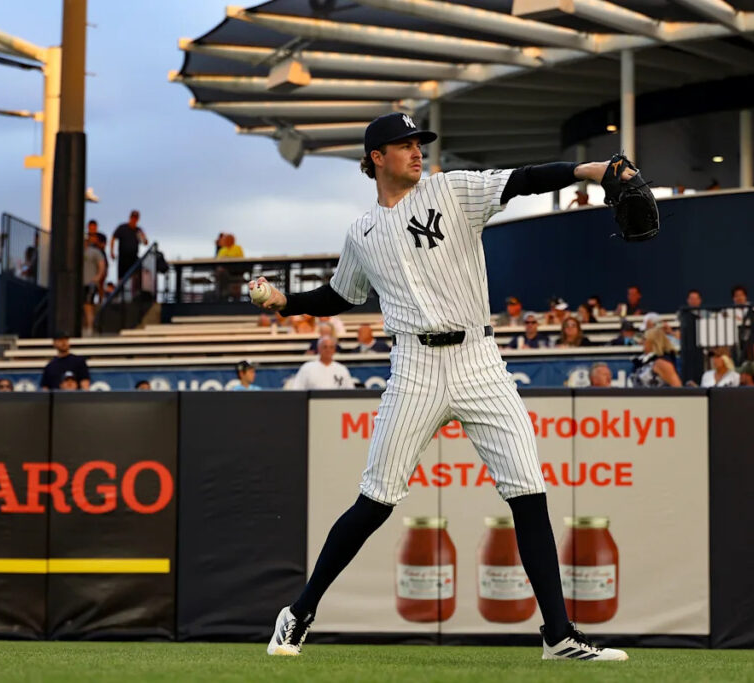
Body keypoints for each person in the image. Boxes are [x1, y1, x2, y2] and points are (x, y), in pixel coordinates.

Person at [250, 111, 632, 661]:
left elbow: (522, 180)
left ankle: (558, 635)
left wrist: (589, 170)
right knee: (376, 500)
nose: (416, 151)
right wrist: (287, 302)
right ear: (376, 158)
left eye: (418, 142)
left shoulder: (453, 191)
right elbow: (341, 295)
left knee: (528, 491)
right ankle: (300, 611)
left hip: (480, 360)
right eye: (403, 144)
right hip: (415, 368)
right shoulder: (361, 233)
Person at [110, 210, 148, 282]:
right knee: (121, 278)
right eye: (133, 218)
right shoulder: (122, 227)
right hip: (123, 257)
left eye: (136, 218)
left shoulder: (138, 230)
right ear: (130, 218)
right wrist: (112, 252)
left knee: (135, 277)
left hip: (133, 257)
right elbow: (113, 238)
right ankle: (120, 292)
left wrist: (143, 237)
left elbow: (145, 243)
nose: (134, 220)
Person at [83, 237, 106, 336]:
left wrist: (98, 277)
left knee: (88, 305)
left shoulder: (94, 252)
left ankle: (90, 328)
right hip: (79, 284)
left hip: (90, 282)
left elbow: (102, 264)